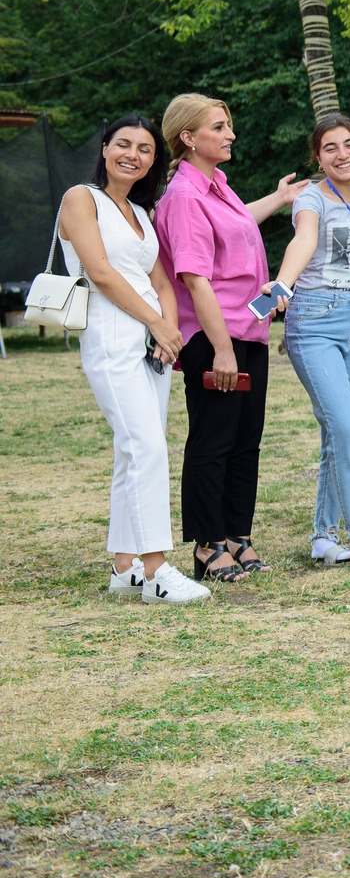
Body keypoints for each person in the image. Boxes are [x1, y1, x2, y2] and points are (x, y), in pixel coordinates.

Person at [57, 115, 210, 604]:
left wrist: (168, 332)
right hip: (110, 335)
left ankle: (125, 569)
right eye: (123, 144)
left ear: (153, 161)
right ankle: (157, 571)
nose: (133, 155)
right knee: (146, 447)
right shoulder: (81, 199)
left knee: (133, 451)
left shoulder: (142, 212)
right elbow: (101, 273)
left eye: (145, 149)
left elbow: (161, 280)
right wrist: (157, 324)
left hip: (151, 344)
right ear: (105, 148)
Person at [154, 93, 305, 582]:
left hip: (247, 331)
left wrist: (279, 199)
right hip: (213, 337)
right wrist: (221, 350)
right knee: (213, 441)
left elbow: (238, 224)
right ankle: (207, 543)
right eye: (218, 127)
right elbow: (195, 279)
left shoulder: (217, 185)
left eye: (228, 125)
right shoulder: (184, 196)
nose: (230, 134)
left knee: (245, 441)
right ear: (188, 137)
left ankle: (237, 534)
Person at [274, 114, 350, 568]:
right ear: (317, 158)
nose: (342, 154)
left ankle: (323, 536)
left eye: (349, 144)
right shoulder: (311, 199)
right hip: (315, 319)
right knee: (344, 427)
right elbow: (303, 240)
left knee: (342, 429)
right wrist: (283, 282)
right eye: (330, 148)